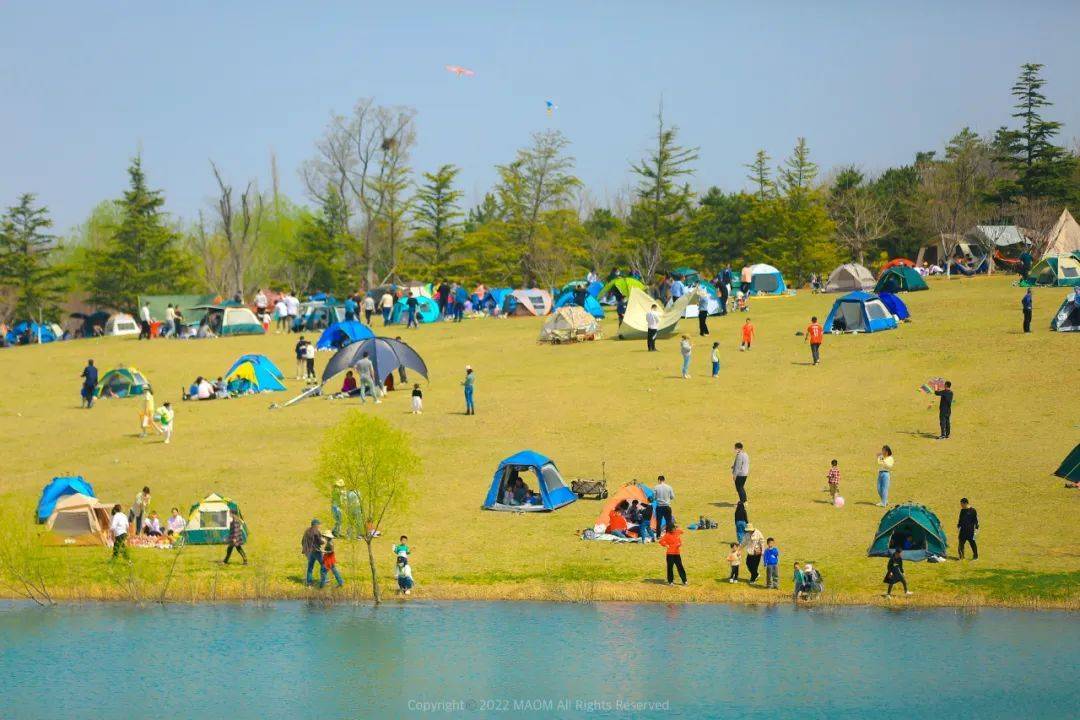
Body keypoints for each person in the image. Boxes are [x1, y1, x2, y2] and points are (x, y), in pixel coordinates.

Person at [302, 519, 324, 586]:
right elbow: (320, 542)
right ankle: (324, 580)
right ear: (316, 525)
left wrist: (306, 550)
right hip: (316, 551)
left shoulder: (307, 531)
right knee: (324, 565)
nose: (320, 526)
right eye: (319, 524)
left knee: (310, 567)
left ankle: (309, 582)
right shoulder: (316, 531)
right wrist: (324, 541)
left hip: (309, 551)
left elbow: (302, 541)